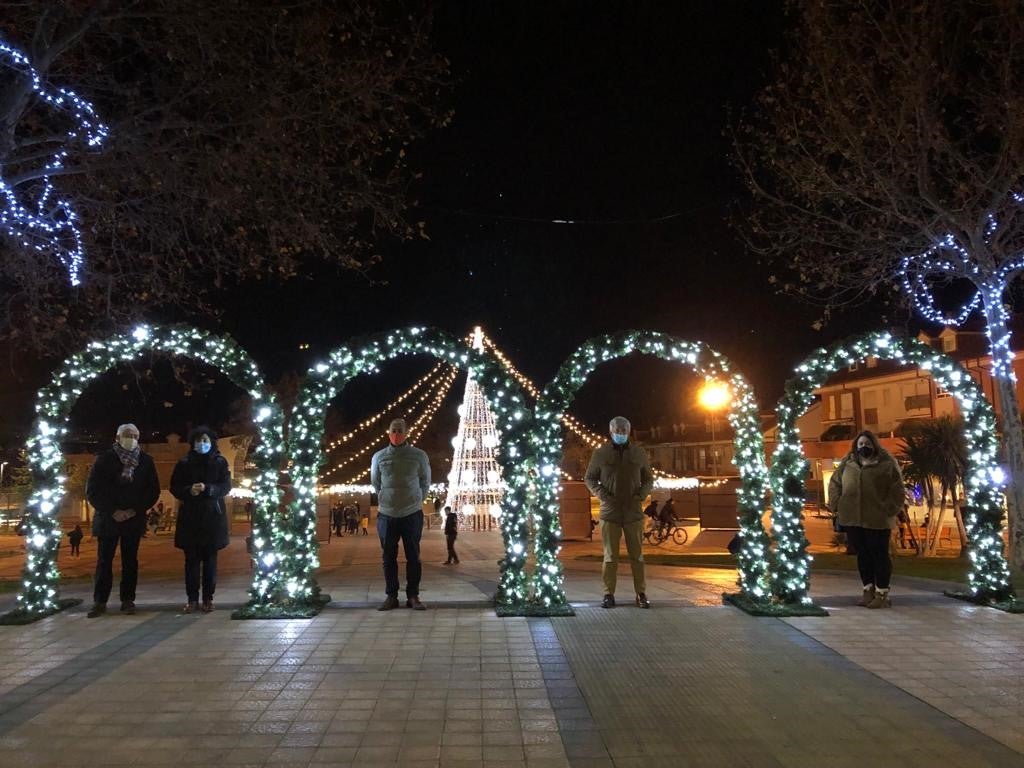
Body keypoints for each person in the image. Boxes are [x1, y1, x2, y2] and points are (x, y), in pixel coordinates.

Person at [85, 423, 161, 617]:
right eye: (128, 435)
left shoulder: (145, 461)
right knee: (104, 561)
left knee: (130, 561)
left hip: (133, 519)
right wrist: (113, 510)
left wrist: (135, 510)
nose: (132, 439)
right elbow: (93, 491)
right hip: (108, 519)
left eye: (135, 435)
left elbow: (152, 491)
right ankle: (100, 601)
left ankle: (128, 600)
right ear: (117, 438)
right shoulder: (104, 460)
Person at [828, 430, 905, 609]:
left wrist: (889, 509)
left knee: (879, 555)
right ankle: (867, 589)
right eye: (861, 444)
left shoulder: (886, 464)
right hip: (853, 519)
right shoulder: (848, 463)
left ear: (874, 444)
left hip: (877, 519)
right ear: (856, 446)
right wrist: (837, 504)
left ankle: (882, 593)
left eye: (867, 443)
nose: (864, 447)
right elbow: (835, 484)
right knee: (863, 555)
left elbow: (897, 489)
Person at [584, 416, 654, 609]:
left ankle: (641, 593)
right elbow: (589, 479)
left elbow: (648, 478)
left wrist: (640, 495)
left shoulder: (638, 453)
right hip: (610, 513)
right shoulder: (601, 453)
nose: (621, 434)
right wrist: (603, 495)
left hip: (633, 513)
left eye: (624, 431)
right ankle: (608, 594)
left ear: (629, 432)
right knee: (610, 556)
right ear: (611, 432)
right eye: (618, 431)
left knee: (637, 556)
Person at [370, 418, 430, 611]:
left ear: (407, 432)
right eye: (393, 430)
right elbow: (375, 482)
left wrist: (416, 499)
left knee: (413, 556)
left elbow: (425, 482)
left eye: (400, 431)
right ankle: (391, 596)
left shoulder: (419, 455)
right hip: (386, 514)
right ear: (388, 432)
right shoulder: (378, 457)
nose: (396, 434)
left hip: (411, 512)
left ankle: (413, 596)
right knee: (388, 557)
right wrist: (387, 498)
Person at [171, 426, 231, 614]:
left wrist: (209, 489)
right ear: (192, 443)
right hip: (190, 520)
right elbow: (174, 486)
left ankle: (208, 598)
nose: (201, 444)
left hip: (212, 519)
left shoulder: (220, 462)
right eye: (198, 441)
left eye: (205, 440)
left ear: (212, 442)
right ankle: (191, 599)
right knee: (191, 562)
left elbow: (225, 486)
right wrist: (189, 490)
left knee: (210, 562)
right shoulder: (184, 463)